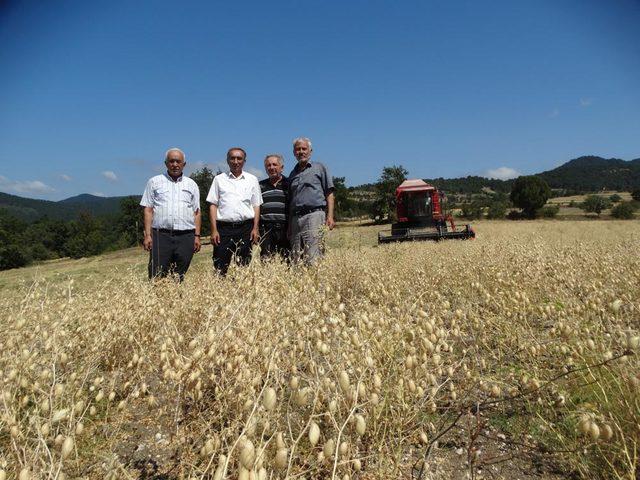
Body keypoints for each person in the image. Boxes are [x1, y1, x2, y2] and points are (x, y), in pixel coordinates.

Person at [140, 148, 201, 281]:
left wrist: (197, 236)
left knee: (179, 275)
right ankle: (158, 301)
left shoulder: (192, 185)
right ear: (166, 163)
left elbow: (196, 213)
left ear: (184, 164)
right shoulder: (154, 182)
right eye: (171, 161)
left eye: (178, 161)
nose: (175, 164)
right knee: (157, 275)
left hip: (186, 236)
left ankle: (175, 300)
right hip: (160, 236)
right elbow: (148, 209)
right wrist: (147, 235)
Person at [207, 147, 263, 275]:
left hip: (245, 228)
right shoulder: (219, 180)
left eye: (239, 158)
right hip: (223, 229)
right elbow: (213, 205)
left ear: (244, 161)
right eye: (232, 158)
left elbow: (256, 205)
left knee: (243, 266)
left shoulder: (252, 179)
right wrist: (214, 230)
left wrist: (255, 228)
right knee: (220, 266)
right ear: (227, 160)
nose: (236, 161)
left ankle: (241, 292)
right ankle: (220, 292)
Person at [287, 137, 335, 265]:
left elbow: (329, 193)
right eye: (298, 149)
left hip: (314, 215)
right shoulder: (292, 174)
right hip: (296, 218)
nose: (301, 152)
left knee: (314, 256)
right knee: (297, 257)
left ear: (310, 151)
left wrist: (330, 216)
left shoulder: (319, 168)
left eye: (304, 149)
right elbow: (292, 201)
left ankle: (318, 283)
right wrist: (290, 226)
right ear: (294, 153)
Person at [259, 154, 290, 259]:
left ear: (281, 167)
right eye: (268, 165)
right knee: (266, 259)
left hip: (286, 227)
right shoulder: (260, 185)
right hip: (266, 228)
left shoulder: (289, 184)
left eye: (274, 165)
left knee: (287, 259)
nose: (271, 168)